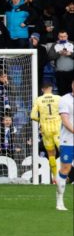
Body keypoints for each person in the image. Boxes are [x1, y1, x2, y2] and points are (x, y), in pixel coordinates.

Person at [31, 82, 61, 182]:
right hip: (58, 128)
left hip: (46, 129)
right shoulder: (58, 98)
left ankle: (55, 177)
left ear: (42, 89)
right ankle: (65, 174)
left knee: (51, 154)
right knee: (65, 151)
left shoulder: (38, 100)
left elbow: (33, 116)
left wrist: (42, 120)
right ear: (51, 88)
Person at [55, 81, 74, 211]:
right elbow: (65, 120)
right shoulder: (65, 100)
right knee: (65, 169)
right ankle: (59, 200)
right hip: (68, 140)